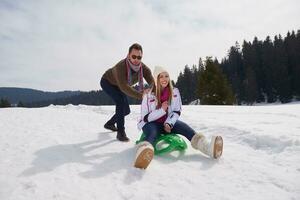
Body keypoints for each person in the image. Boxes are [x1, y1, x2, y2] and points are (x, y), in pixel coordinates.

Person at [134, 66, 223, 169]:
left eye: (166, 76)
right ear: (156, 79)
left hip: (167, 122)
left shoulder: (174, 92)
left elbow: (176, 111)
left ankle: (208, 148)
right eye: (161, 76)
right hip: (150, 124)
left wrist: (169, 123)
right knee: (152, 133)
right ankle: (142, 154)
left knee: (185, 128)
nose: (164, 79)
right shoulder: (148, 95)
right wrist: (161, 110)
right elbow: (145, 118)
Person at [100, 43, 155, 142]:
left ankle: (109, 124)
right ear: (129, 55)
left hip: (119, 86)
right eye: (133, 56)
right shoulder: (120, 67)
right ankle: (121, 132)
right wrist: (141, 95)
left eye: (139, 57)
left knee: (126, 111)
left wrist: (152, 90)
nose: (136, 60)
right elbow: (124, 87)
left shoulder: (143, 68)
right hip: (107, 82)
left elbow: (152, 81)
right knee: (120, 102)